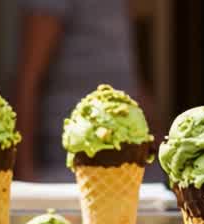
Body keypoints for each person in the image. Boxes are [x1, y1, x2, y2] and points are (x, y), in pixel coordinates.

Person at [12, 0, 145, 182]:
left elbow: (128, 75)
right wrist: (24, 170)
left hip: (126, 156)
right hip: (68, 160)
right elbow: (28, 78)